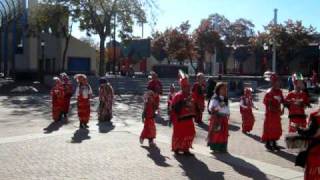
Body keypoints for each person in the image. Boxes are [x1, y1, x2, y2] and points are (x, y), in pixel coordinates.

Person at [171, 70, 196, 156]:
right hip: (180, 120)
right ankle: (177, 148)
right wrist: (184, 102)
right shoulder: (178, 95)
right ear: (182, 87)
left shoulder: (190, 95)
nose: (188, 88)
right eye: (186, 87)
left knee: (191, 133)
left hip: (189, 119)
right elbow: (174, 107)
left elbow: (192, 106)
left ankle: (186, 149)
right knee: (179, 134)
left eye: (189, 86)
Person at [262, 73, 284, 151]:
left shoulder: (280, 92)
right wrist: (277, 110)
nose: (278, 83)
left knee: (276, 129)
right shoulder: (269, 92)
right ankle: (268, 143)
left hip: (277, 115)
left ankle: (274, 143)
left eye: (278, 81)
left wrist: (282, 110)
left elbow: (282, 101)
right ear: (273, 82)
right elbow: (269, 106)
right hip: (270, 115)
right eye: (276, 81)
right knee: (269, 128)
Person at [296, 110, 320, 180]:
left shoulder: (316, 115)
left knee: (313, 172)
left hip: (316, 150)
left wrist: (299, 129)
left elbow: (311, 133)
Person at [207, 82, 230, 153]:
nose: (225, 90)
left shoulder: (225, 98)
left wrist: (228, 113)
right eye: (223, 89)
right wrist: (220, 106)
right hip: (217, 119)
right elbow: (211, 108)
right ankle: (215, 148)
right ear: (218, 89)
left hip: (224, 119)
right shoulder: (215, 98)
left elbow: (227, 107)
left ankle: (222, 148)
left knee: (224, 134)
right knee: (216, 133)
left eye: (226, 89)